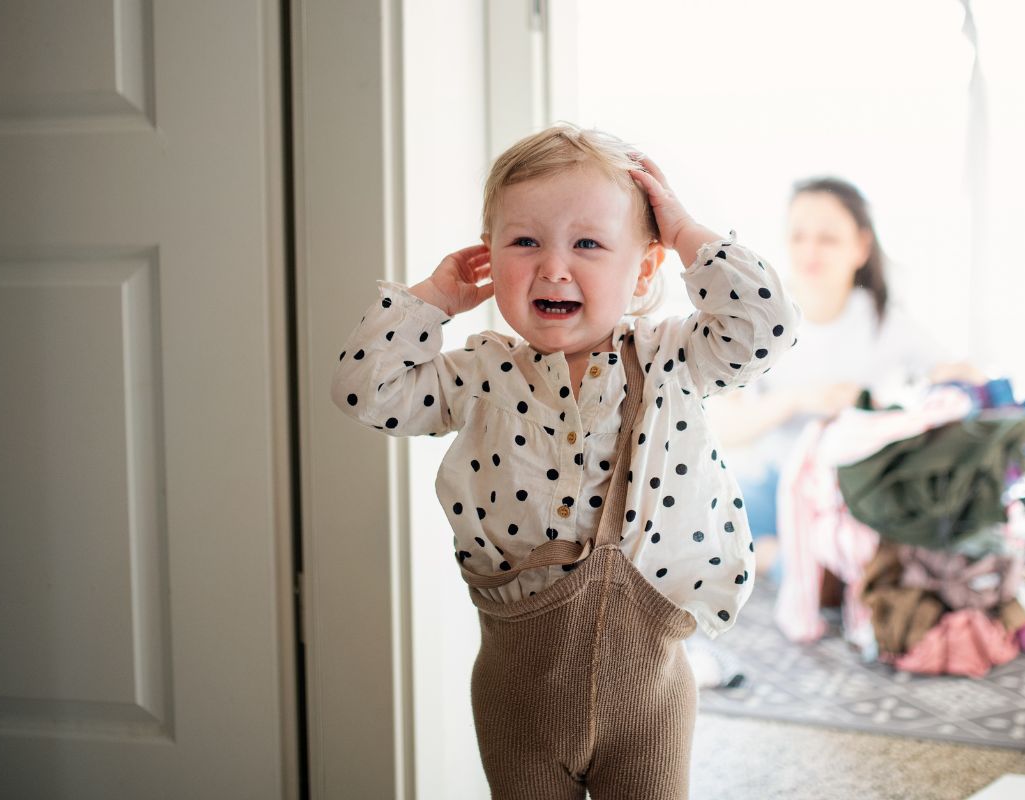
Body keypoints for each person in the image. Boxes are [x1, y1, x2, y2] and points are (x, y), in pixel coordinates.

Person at [331, 123, 801, 799]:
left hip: (649, 699)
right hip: (516, 698)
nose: (554, 267)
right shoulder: (481, 374)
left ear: (643, 269)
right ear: (489, 258)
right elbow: (365, 390)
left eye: (588, 244)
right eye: (524, 242)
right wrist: (431, 299)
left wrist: (686, 231)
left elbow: (767, 326)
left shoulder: (671, 358)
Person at [710, 177, 969, 581]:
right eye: (798, 236)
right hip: (775, 488)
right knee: (693, 513)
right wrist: (798, 400)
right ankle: (776, 559)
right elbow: (724, 429)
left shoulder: (887, 322)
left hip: (852, 491)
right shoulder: (759, 319)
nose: (810, 251)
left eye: (828, 238)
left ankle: (796, 562)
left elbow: (959, 376)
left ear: (861, 247)